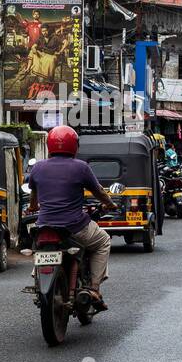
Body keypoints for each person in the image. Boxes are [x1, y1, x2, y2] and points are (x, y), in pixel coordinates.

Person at [26, 125, 116, 310]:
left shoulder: (37, 168)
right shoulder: (81, 168)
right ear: (74, 145)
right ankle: (93, 288)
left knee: (40, 249)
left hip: (44, 227)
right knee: (103, 241)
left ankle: (37, 276)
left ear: (49, 144)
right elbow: (98, 192)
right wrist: (110, 203)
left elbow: (33, 203)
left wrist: (34, 207)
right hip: (75, 228)